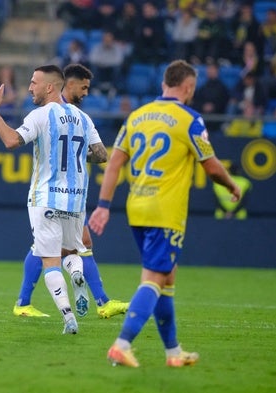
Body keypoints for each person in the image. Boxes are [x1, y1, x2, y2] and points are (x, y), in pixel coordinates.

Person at [88, 59, 241, 367]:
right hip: (165, 211)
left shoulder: (137, 116)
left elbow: (115, 162)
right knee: (155, 278)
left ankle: (173, 352)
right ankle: (122, 344)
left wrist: (104, 206)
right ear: (188, 87)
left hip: (137, 207)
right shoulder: (189, 119)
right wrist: (231, 184)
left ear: (163, 85)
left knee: (166, 277)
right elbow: (210, 166)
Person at [0, 64, 102, 335]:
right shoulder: (82, 118)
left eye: (34, 82)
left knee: (49, 260)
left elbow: (11, 141)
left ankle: (67, 317)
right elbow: (101, 154)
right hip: (75, 200)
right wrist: (76, 154)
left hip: (45, 198)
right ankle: (76, 274)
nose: (30, 87)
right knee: (72, 253)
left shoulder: (40, 116)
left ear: (50, 87)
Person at [12, 63, 128, 320]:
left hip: (56, 196)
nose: (86, 92)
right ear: (69, 84)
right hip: (69, 195)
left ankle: (24, 301)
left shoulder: (57, 113)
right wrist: (74, 157)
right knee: (75, 247)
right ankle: (101, 301)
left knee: (46, 248)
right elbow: (100, 155)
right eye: (84, 87)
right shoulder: (70, 116)